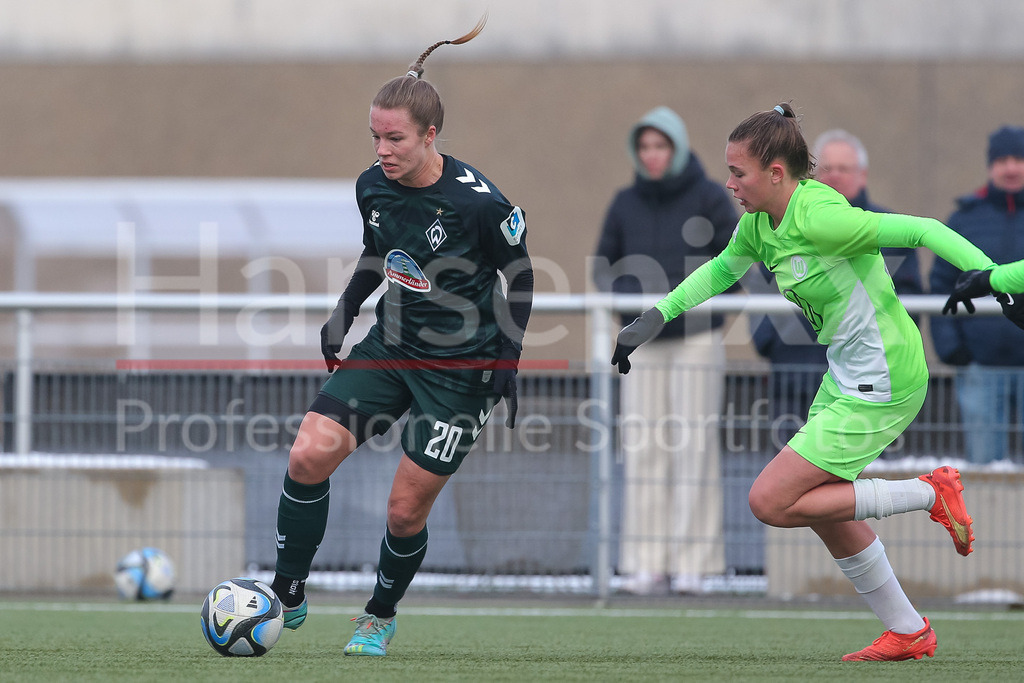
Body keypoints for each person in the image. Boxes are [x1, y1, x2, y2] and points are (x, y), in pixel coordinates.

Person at [611, 103, 984, 662]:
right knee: (824, 509)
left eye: (739, 173)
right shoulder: (761, 225)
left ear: (777, 174)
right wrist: (656, 316)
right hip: (847, 373)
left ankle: (931, 492)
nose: (730, 183)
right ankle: (908, 631)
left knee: (769, 499)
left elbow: (923, 229)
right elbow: (720, 270)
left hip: (886, 375)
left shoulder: (819, 217)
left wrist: (989, 274)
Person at [269, 16, 534, 657]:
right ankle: (286, 591)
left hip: (461, 369)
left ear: (430, 135)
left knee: (402, 511)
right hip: (390, 344)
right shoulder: (372, 187)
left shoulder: (480, 203)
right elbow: (375, 252)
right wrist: (344, 311)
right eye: (375, 137)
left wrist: (508, 358)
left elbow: (519, 274)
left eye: (395, 139)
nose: (382, 150)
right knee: (307, 454)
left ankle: (378, 616)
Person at [593, 106, 738, 595]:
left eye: (661, 146)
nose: (652, 156)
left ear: (676, 148)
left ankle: (696, 563)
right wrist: (628, 321)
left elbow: (738, 263)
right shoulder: (623, 202)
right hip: (643, 344)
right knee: (642, 449)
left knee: (694, 447)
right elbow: (604, 267)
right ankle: (644, 561)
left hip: (697, 340)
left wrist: (710, 317)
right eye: (645, 147)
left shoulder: (711, 198)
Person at [749, 129, 924, 448]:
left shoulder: (885, 228)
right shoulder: (781, 226)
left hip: (865, 376)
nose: (836, 176)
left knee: (857, 476)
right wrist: (768, 341)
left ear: (863, 175)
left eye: (845, 169)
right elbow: (762, 285)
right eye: (827, 168)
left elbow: (909, 299)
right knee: (788, 478)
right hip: (794, 373)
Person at [930, 125, 1024, 465]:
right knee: (985, 470)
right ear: (990, 166)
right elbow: (941, 283)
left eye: (1018, 158)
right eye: (1003, 160)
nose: (1011, 167)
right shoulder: (964, 219)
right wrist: (953, 350)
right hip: (979, 366)